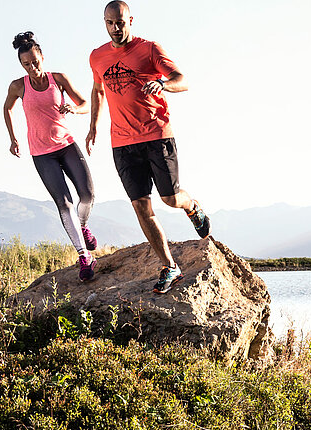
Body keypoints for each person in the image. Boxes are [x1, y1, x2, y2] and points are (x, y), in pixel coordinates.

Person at [87, 1, 211, 294]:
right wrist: (93, 126)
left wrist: (163, 85)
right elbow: (97, 90)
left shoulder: (149, 49)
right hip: (122, 142)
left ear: (130, 20)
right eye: (110, 23)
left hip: (156, 135)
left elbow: (183, 80)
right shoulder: (97, 57)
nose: (116, 28)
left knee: (169, 198)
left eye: (121, 22)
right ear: (104, 23)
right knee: (141, 205)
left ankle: (192, 207)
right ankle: (170, 267)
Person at [2, 31, 99, 282]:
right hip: (41, 153)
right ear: (21, 65)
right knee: (64, 203)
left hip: (66, 145)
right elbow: (7, 108)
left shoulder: (59, 79)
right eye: (26, 64)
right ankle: (84, 257)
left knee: (87, 194)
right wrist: (13, 138)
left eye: (35, 61)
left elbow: (85, 103)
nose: (32, 68)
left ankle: (83, 226)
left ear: (42, 57)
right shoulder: (18, 86)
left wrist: (74, 109)